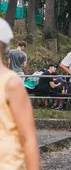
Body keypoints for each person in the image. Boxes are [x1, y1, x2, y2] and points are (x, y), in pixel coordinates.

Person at [0, 18, 40, 169]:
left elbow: (28, 137)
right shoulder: (22, 57)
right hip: (20, 74)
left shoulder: (10, 83)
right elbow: (25, 67)